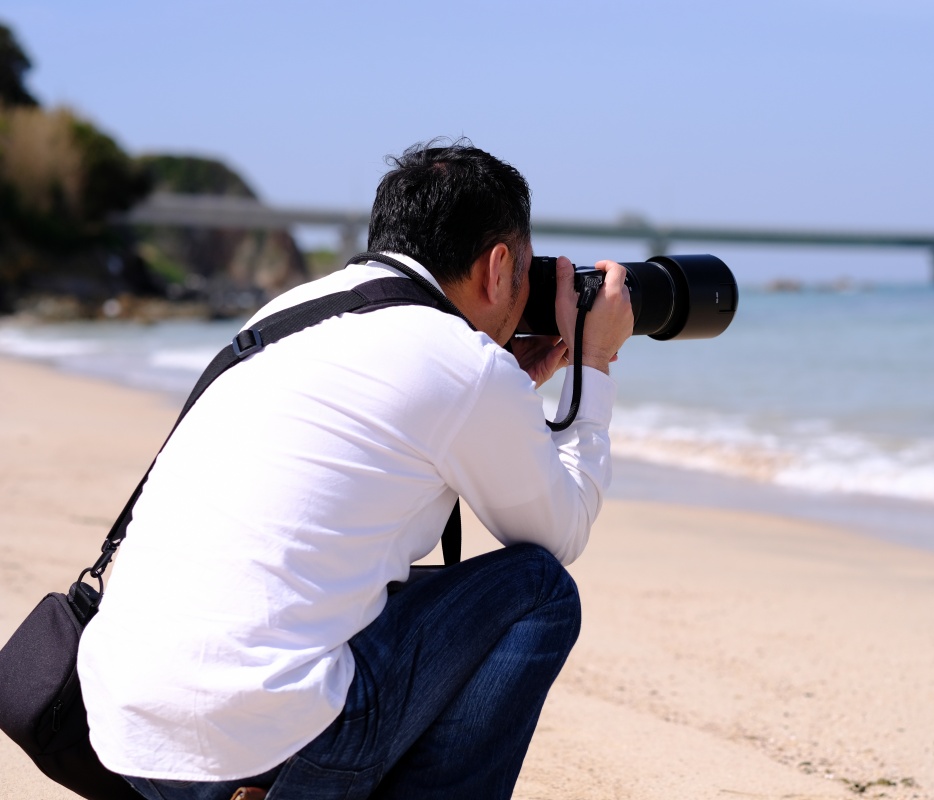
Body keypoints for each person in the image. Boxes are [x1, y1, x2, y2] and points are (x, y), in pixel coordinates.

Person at [77, 139, 635, 800]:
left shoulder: (287, 315)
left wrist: (504, 385)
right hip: (253, 749)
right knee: (539, 589)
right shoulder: (461, 365)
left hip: (125, 737)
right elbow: (559, 532)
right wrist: (592, 368)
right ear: (498, 266)